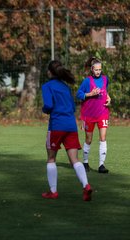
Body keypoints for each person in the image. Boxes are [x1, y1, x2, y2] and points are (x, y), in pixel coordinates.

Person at [41, 60, 92, 201]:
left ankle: (53, 191)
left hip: (56, 126)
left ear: (50, 72)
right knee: (75, 159)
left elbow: (48, 105)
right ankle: (86, 185)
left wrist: (44, 110)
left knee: (51, 158)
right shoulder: (66, 87)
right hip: (71, 126)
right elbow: (72, 107)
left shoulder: (47, 86)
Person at [76, 57, 111, 173]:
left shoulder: (105, 79)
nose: (98, 72)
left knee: (103, 138)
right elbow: (78, 94)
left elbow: (106, 91)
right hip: (89, 114)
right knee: (88, 139)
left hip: (103, 112)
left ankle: (101, 165)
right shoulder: (87, 81)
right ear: (92, 69)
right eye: (96, 70)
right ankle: (85, 163)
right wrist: (90, 94)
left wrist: (109, 98)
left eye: (100, 69)